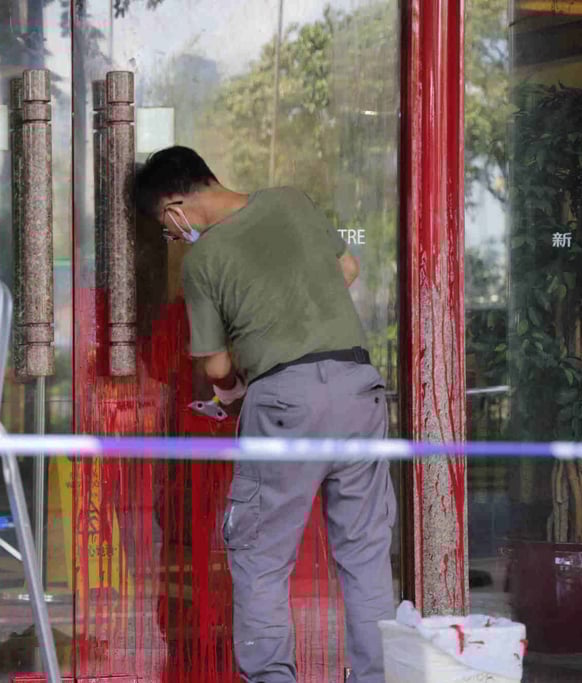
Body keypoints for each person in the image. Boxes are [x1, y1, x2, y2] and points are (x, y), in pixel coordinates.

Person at [134, 146, 396, 683]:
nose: (171, 233)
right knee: (366, 553)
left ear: (176, 204)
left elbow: (216, 362)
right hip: (357, 387)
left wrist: (230, 392)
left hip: (284, 404)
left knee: (261, 557)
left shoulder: (203, 260)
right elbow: (347, 267)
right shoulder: (292, 202)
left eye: (165, 223)